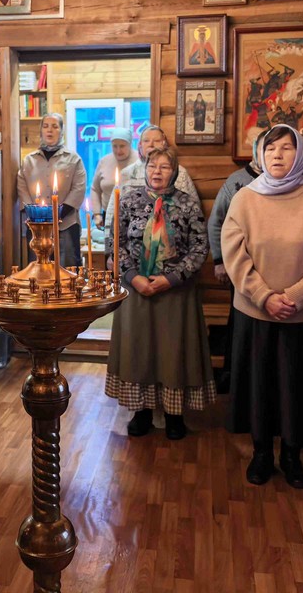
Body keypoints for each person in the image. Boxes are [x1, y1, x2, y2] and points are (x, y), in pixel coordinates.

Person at [222, 124, 303, 489]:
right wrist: (264, 296)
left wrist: (293, 297)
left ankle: (292, 455)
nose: (277, 154)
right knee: (258, 385)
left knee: (296, 387)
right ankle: (261, 453)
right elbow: (234, 256)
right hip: (255, 312)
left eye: (286, 148)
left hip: (301, 315)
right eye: (270, 148)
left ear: (299, 154)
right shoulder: (244, 199)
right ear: (261, 155)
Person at [104, 146, 214, 441]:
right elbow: (115, 243)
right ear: (145, 170)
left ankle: (175, 414)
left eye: (165, 167)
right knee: (139, 351)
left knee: (173, 352)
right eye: (152, 166)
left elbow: (200, 247)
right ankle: (140, 412)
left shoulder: (188, 204)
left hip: (175, 293)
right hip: (136, 291)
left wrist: (171, 278)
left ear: (174, 172)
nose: (157, 172)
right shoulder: (128, 201)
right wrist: (133, 277)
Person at [17, 113, 86, 267]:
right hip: (36, 226)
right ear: (41, 130)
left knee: (67, 270)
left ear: (61, 131)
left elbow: (78, 189)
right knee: (38, 270)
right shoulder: (29, 160)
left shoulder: (73, 159)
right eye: (46, 126)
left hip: (66, 224)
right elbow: (22, 188)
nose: (50, 130)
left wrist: (58, 214)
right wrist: (36, 214)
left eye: (55, 127)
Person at [105, 126, 198, 233]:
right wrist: (108, 236)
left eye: (156, 141)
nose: (151, 144)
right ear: (140, 145)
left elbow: (193, 210)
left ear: (164, 144)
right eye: (146, 141)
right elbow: (113, 210)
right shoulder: (127, 173)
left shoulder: (180, 173)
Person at [208, 129, 266, 283]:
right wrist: (219, 260)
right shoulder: (235, 181)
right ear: (255, 150)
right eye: (264, 148)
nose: (269, 154)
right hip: (239, 263)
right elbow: (216, 221)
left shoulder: (286, 184)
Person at [89, 127, 138, 228]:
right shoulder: (104, 161)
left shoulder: (139, 161)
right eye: (114, 146)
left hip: (135, 215)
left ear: (130, 144)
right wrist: (97, 214)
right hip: (108, 215)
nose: (118, 150)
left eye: (122, 146)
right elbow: (95, 189)